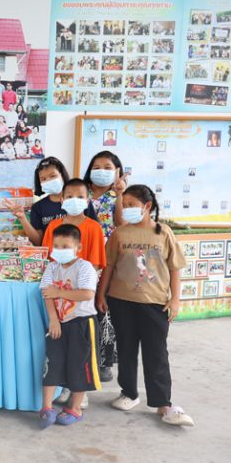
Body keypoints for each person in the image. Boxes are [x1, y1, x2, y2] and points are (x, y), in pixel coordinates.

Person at [96, 185, 194, 427]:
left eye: (131, 205)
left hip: (155, 303)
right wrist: (101, 294)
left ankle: (163, 404)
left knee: (156, 353)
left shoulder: (164, 233)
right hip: (121, 301)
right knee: (126, 350)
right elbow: (109, 266)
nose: (127, 209)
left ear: (147, 206)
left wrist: (175, 299)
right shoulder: (119, 234)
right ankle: (129, 393)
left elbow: (175, 268)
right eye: (125, 205)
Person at [38, 224, 101, 428]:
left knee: (79, 366)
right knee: (52, 363)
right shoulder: (52, 267)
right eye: (56, 246)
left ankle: (75, 408)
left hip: (82, 323)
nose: (59, 250)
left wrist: (59, 292)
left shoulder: (85, 267)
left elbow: (87, 294)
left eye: (65, 246)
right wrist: (53, 319)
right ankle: (46, 407)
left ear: (78, 247)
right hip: (59, 323)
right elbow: (46, 293)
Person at [82, 150, 127, 381]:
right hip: (83, 257)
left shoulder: (120, 195)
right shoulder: (81, 191)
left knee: (105, 310)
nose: (101, 171)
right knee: (82, 309)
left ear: (118, 171)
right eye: (96, 167)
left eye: (108, 167)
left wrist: (119, 195)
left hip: (109, 259)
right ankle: (83, 358)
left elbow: (122, 223)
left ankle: (104, 362)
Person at [7, 158, 99, 246]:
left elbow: (95, 232)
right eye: (43, 179)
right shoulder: (38, 207)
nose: (48, 181)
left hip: (83, 252)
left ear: (62, 175)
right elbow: (38, 242)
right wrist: (22, 218)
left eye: (53, 176)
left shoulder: (80, 202)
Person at [41, 178, 106, 271]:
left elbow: (95, 263)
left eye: (80, 197)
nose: (75, 200)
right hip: (56, 277)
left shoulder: (94, 227)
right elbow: (46, 258)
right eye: (70, 197)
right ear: (62, 200)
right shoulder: (53, 225)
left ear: (87, 201)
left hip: (83, 278)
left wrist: (83, 279)